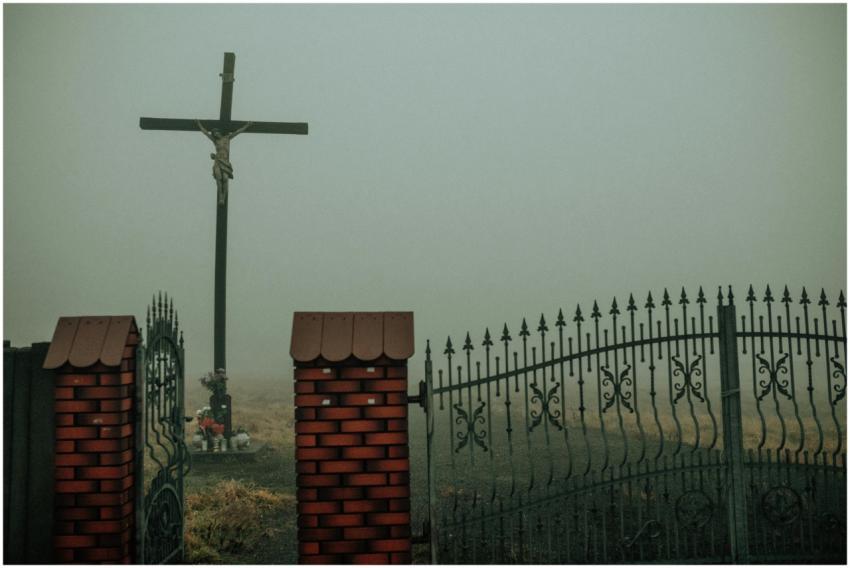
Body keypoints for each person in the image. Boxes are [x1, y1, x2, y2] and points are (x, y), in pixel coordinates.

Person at [196, 120, 253, 205]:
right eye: (213, 133)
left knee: (225, 179)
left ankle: (224, 196)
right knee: (219, 179)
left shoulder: (227, 138)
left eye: (216, 132)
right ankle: (221, 197)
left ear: (219, 132)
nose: (215, 134)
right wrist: (199, 125)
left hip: (225, 162)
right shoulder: (215, 141)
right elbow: (206, 133)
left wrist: (247, 125)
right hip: (217, 161)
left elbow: (238, 132)